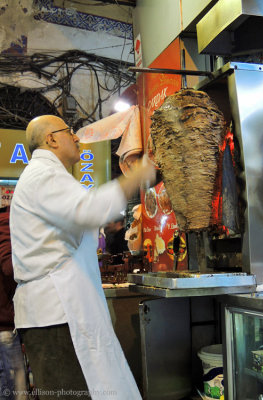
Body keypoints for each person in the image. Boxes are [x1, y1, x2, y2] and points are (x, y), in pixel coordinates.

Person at [9, 115, 156, 400]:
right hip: (57, 315)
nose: (76, 138)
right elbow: (89, 209)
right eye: (70, 132)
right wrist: (138, 174)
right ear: (51, 139)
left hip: (62, 311)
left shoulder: (50, 176)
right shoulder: (43, 175)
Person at [0, 206, 27, 400]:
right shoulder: (6, 221)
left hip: (6, 322)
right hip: (5, 324)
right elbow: (10, 268)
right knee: (16, 390)